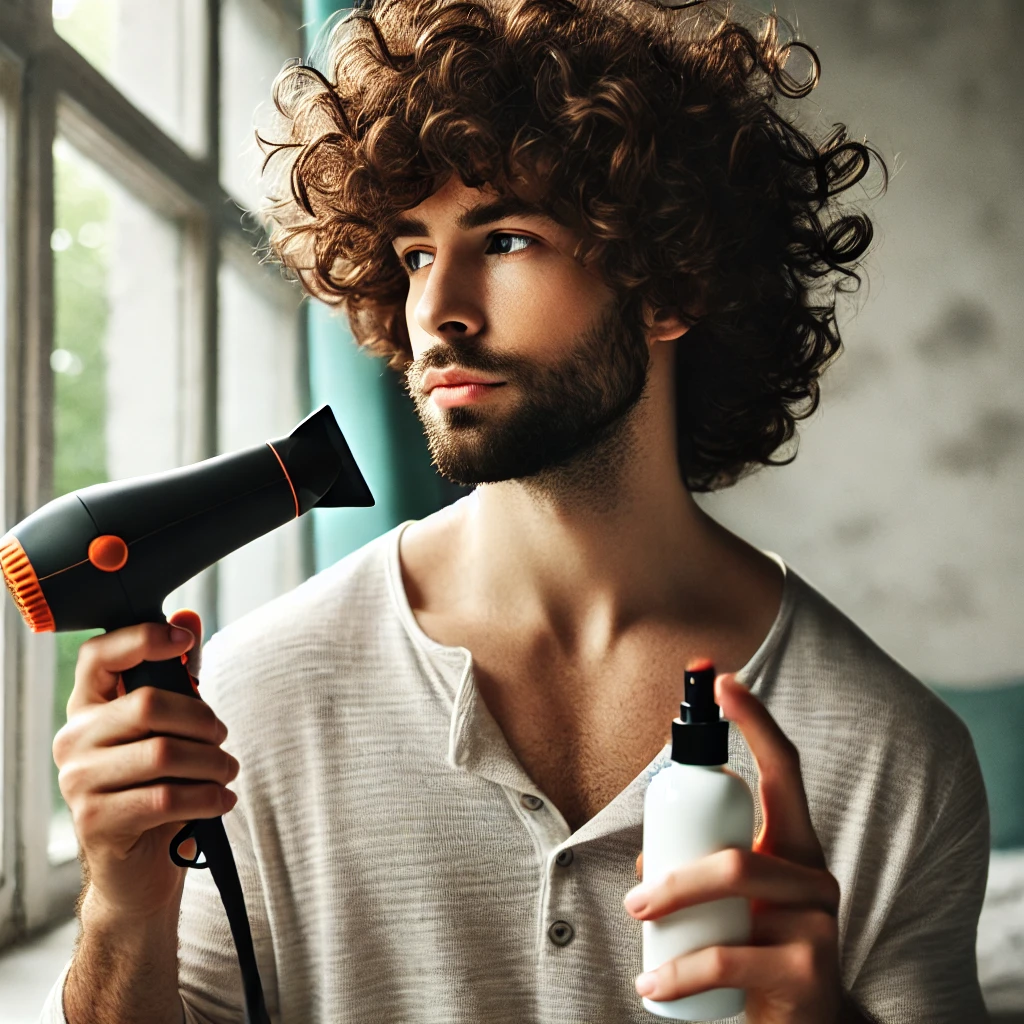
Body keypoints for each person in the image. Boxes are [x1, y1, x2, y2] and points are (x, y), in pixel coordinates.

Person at [41, 0, 991, 1022]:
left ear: (668, 287)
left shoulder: (889, 755)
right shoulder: (252, 700)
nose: (435, 307)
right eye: (411, 252)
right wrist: (119, 910)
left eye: (503, 239)